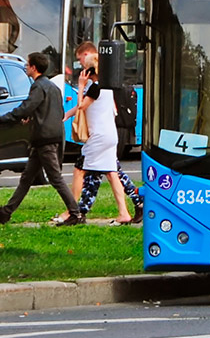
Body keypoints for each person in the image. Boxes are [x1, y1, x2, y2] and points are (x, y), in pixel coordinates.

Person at [0, 51, 83, 226]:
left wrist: (0, 120)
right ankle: (6, 212)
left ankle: (75, 214)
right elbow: (55, 112)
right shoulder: (53, 87)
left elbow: (25, 108)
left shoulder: (38, 86)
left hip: (44, 139)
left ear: (34, 68)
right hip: (49, 137)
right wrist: (33, 116)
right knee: (27, 178)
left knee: (55, 178)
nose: (26, 68)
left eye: (28, 65)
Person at [53, 41, 143, 225]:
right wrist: (64, 115)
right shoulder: (104, 86)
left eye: (84, 69)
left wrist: (79, 85)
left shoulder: (95, 87)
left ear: (89, 71)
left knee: (79, 170)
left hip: (99, 137)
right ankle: (124, 212)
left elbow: (81, 106)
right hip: (109, 136)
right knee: (112, 173)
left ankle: (73, 211)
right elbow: (84, 108)